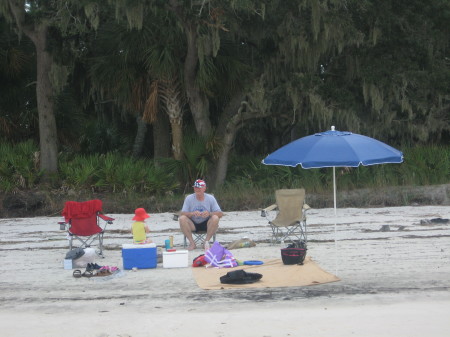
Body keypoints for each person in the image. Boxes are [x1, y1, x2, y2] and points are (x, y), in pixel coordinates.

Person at [179, 179, 223, 250]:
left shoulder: (210, 198)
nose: (197, 189)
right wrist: (192, 213)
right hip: (193, 224)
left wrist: (209, 213)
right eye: (195, 187)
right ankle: (192, 243)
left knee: (215, 217)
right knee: (182, 218)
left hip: (207, 224)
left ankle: (206, 242)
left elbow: (220, 214)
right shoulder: (189, 198)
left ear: (204, 188)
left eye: (199, 188)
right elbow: (182, 213)